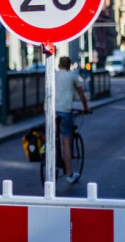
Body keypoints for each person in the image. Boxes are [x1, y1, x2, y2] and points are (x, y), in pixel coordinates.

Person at [54, 56, 89, 184]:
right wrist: (85, 108)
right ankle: (69, 173)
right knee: (66, 142)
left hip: (51, 111)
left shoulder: (53, 75)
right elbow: (81, 95)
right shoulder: (72, 76)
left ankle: (46, 153)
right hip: (65, 111)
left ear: (59, 65)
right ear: (69, 65)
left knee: (51, 135)